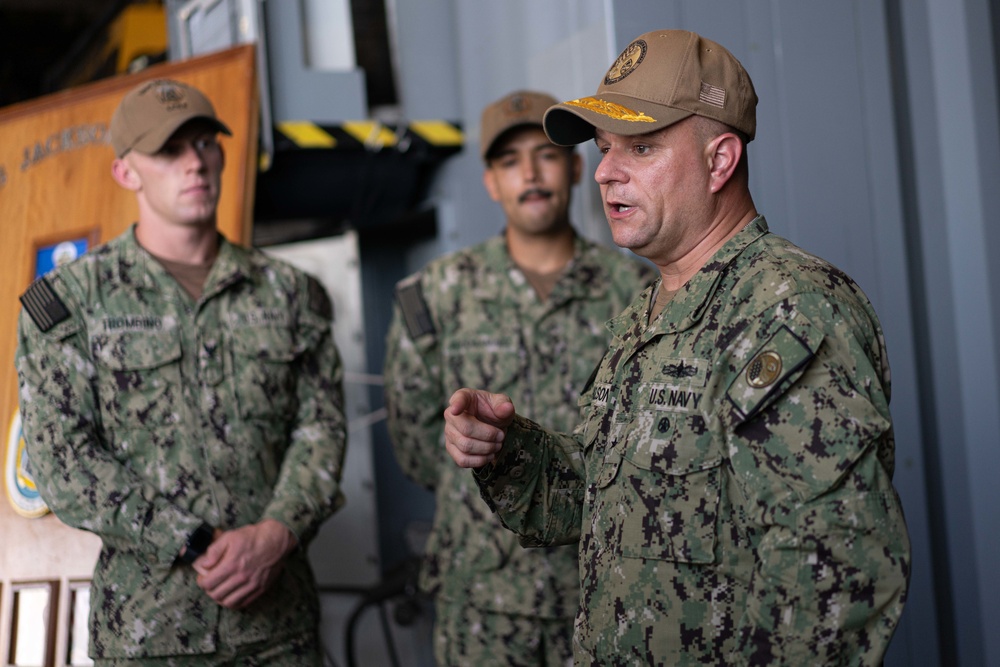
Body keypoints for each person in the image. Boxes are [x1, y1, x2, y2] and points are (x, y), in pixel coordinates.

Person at [443, 30, 911, 666]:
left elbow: (833, 573)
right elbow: (608, 503)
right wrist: (508, 450)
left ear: (719, 161)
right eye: (606, 148)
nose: (606, 171)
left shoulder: (788, 309)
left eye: (641, 147)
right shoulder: (648, 309)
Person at [15, 78, 347, 664]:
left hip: (279, 632)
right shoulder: (72, 301)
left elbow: (320, 430)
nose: (194, 163)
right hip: (151, 633)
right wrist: (189, 540)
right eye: (169, 150)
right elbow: (62, 459)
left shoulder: (292, 294)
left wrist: (278, 533)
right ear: (127, 173)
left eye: (205, 143)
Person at [383, 89, 655, 665]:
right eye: (510, 161)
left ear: (577, 167)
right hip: (481, 597)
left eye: (546, 154)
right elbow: (415, 444)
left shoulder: (635, 293)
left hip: (604, 588)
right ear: (490, 182)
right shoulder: (437, 293)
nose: (530, 173)